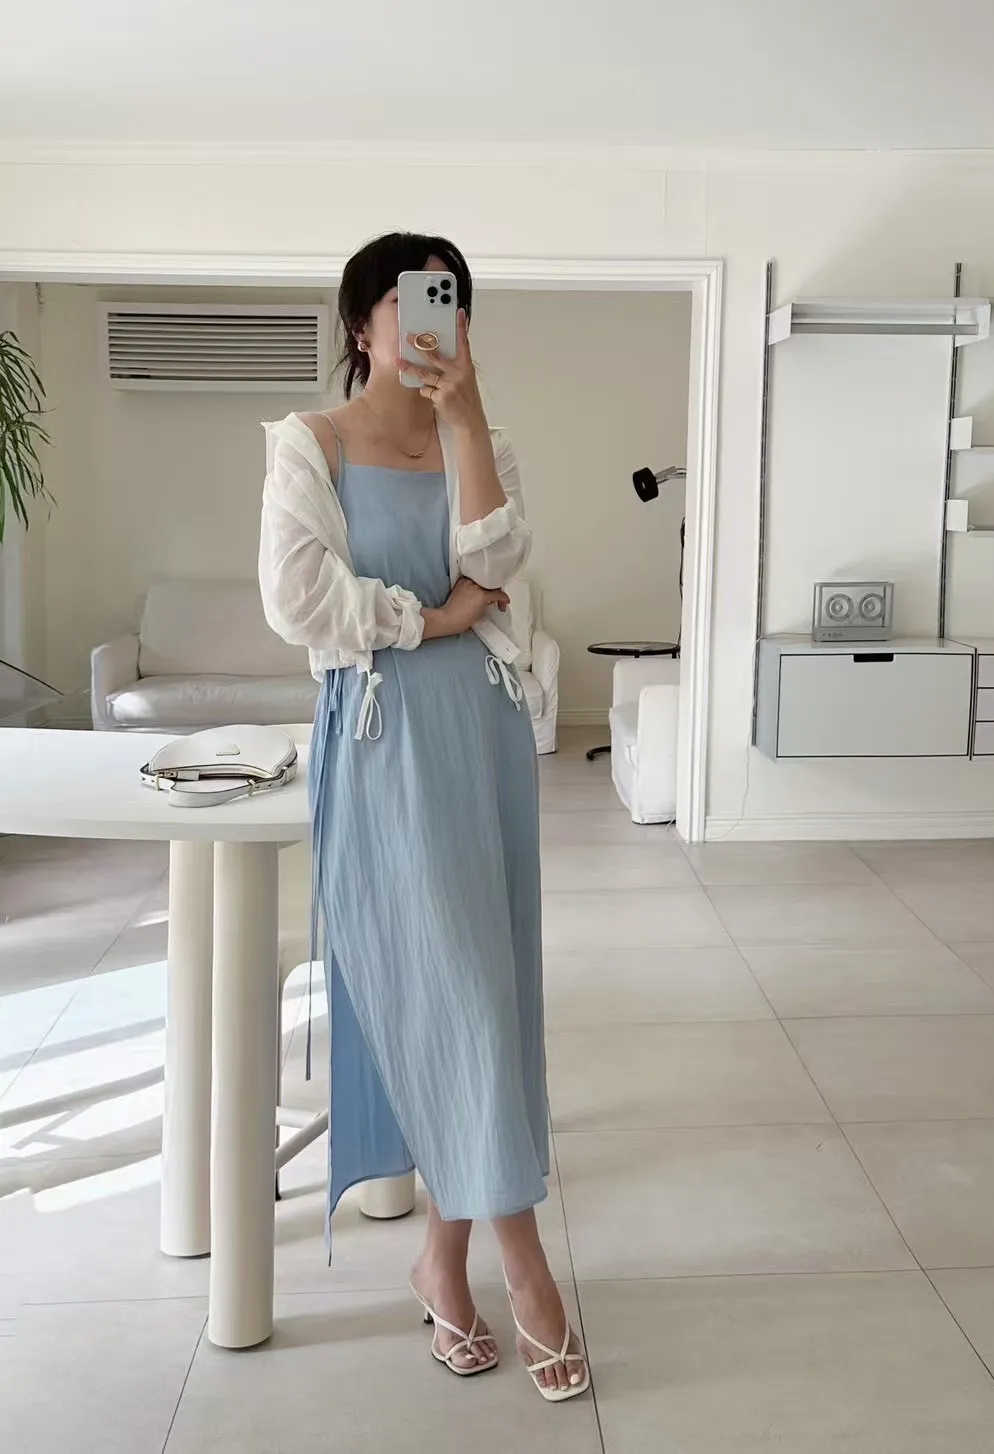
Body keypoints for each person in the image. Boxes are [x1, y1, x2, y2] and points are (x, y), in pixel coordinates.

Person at [259, 232, 588, 1402]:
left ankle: (441, 1264)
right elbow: (298, 599)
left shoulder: (479, 440)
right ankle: (523, 1264)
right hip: (383, 740)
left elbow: (501, 557)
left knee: (489, 994)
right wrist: (431, 618)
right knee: (450, 996)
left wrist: (468, 416)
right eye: (409, 303)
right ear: (363, 325)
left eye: (450, 303)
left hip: (482, 739)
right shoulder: (310, 443)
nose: (432, 323)